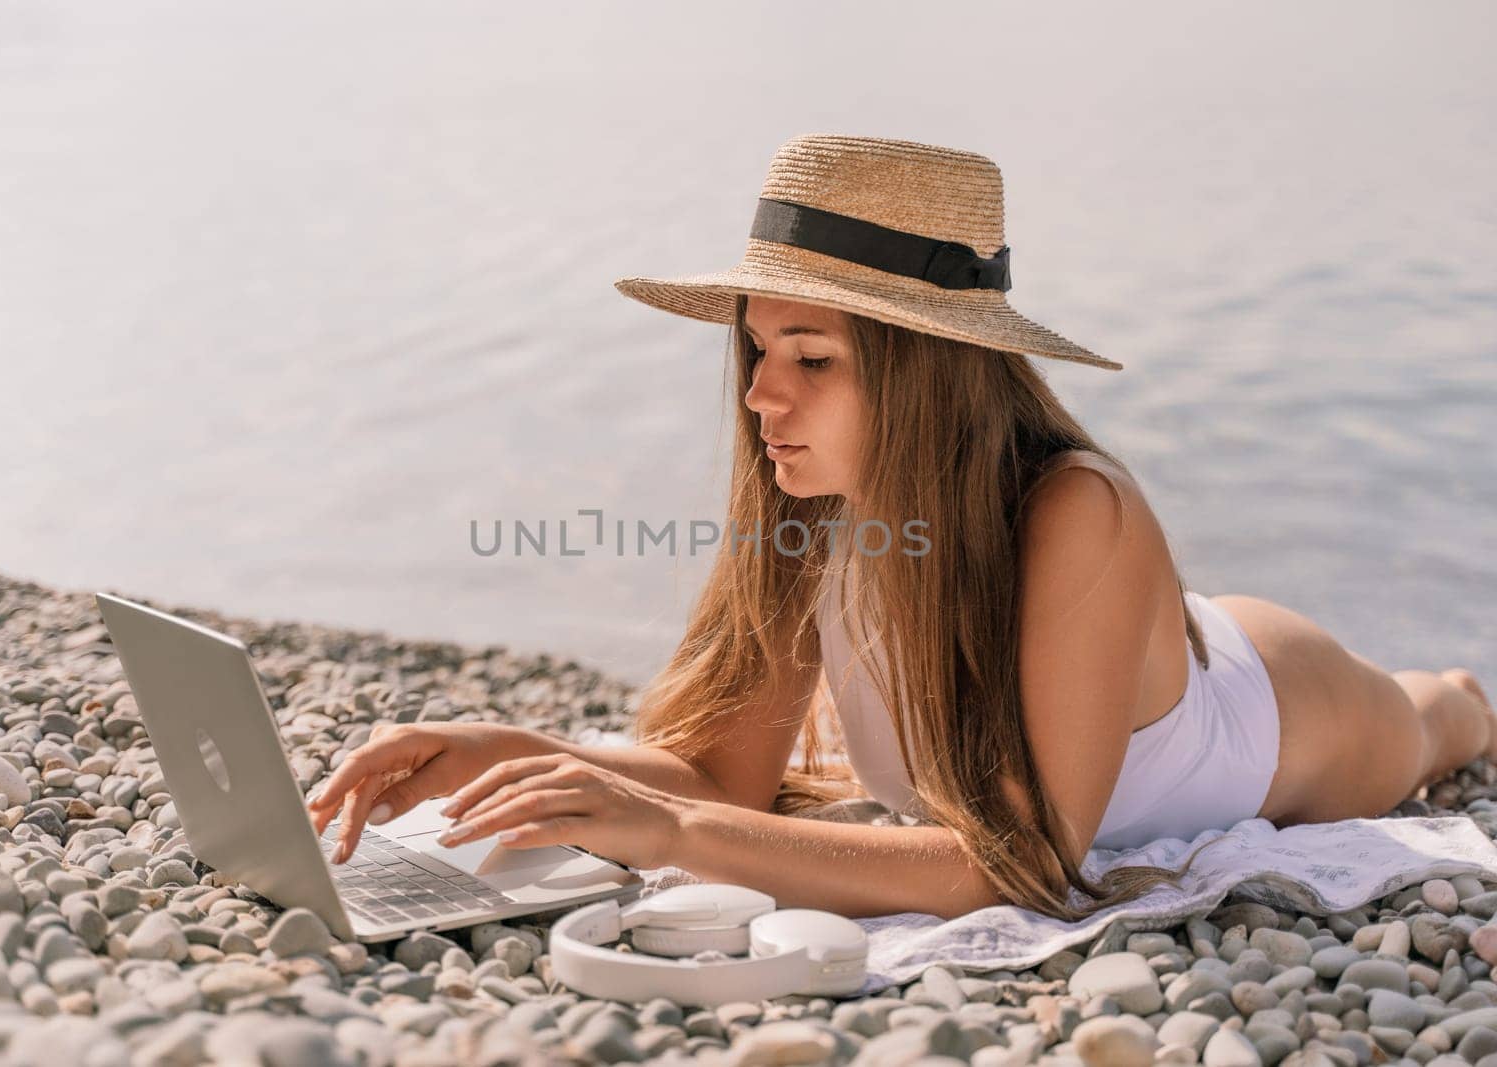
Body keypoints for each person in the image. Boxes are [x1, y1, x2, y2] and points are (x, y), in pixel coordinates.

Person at [307, 134, 1496, 922]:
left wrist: (672, 829)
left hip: (1278, 707)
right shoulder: (806, 509)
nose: (760, 396)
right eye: (760, 351)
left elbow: (1025, 865)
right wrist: (502, 750)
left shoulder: (1079, 508)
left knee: (1439, 720)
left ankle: (1458, 689)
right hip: (1094, 659)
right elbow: (725, 771)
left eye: (811, 358)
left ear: (928, 372)